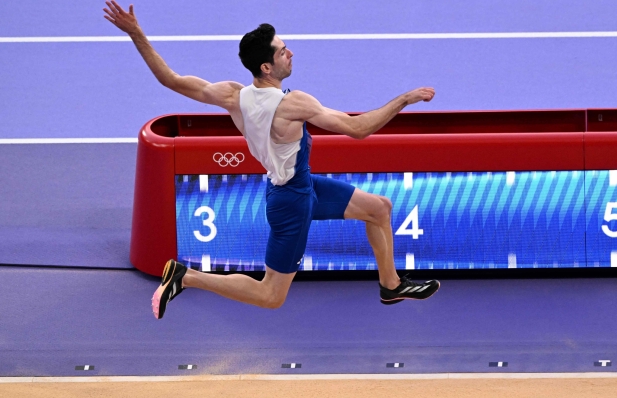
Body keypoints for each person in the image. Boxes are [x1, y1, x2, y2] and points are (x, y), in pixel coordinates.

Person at [103, 1, 440, 319]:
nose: (290, 52)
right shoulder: (294, 105)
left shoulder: (233, 95)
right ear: (267, 67)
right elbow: (358, 128)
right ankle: (187, 277)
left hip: (301, 185)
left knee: (378, 208)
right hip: (290, 201)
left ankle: (391, 285)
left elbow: (170, 80)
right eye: (282, 51)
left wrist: (136, 33)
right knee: (271, 295)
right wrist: (405, 99)